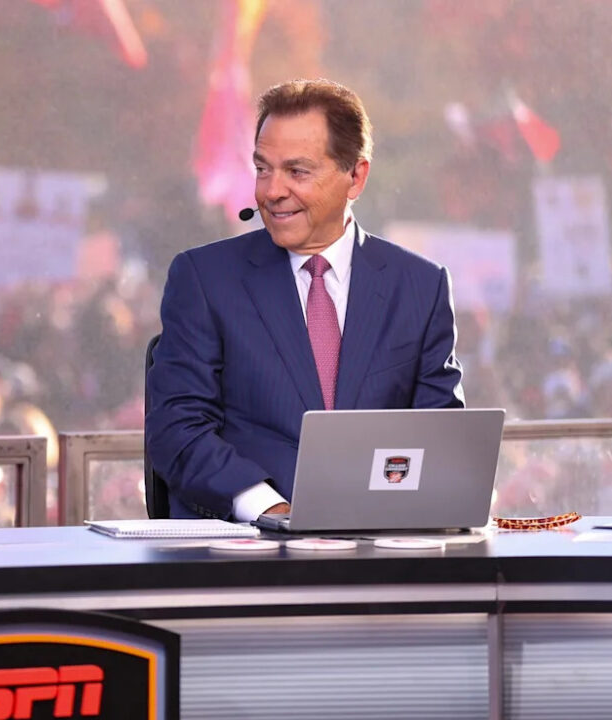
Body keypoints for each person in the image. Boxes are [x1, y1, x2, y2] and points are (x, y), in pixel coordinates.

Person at [146, 78, 463, 521]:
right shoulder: (204, 279)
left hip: (381, 542)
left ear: (356, 177)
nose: (271, 191)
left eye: (296, 172)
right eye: (262, 169)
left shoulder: (421, 287)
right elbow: (177, 430)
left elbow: (442, 437)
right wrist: (270, 509)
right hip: (247, 544)